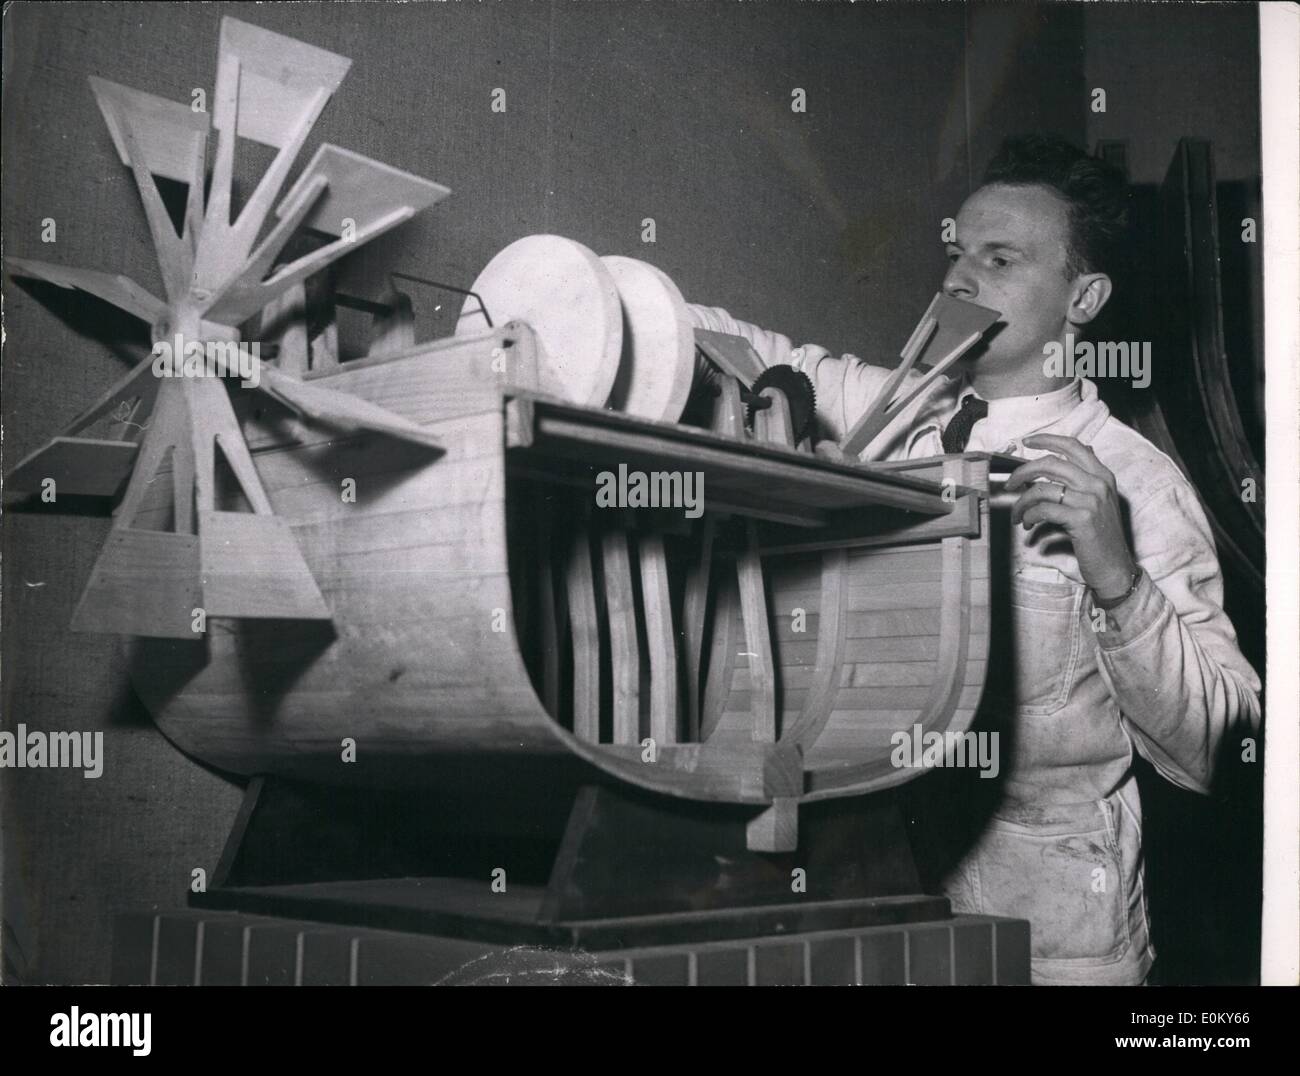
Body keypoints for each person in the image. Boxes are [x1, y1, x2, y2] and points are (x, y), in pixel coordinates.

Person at [686, 134, 1262, 986]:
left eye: (1000, 258)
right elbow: (757, 353)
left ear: (1085, 298)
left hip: (1056, 945)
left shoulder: (1136, 483)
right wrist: (591, 306)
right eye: (957, 252)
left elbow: (1219, 740)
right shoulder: (896, 419)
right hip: (890, 910)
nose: (958, 277)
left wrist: (1119, 580)